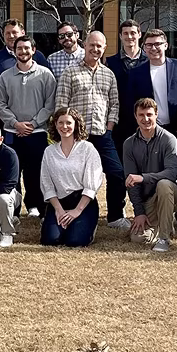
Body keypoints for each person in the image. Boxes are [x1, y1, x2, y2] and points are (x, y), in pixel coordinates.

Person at [54, 31, 127, 229]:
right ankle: (75, 214)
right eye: (92, 45)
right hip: (77, 137)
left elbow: (114, 104)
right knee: (75, 178)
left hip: (102, 134)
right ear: (84, 45)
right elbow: (61, 105)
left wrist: (110, 127)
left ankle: (115, 216)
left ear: (104, 49)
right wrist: (66, 133)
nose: (95, 49)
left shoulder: (108, 74)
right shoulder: (70, 72)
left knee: (117, 173)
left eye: (99, 46)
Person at [0, 36, 56, 218]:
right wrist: (15, 124)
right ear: (14, 52)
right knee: (12, 172)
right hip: (12, 132)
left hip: (37, 132)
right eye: (19, 48)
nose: (23, 51)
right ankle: (13, 210)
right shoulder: (5, 77)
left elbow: (50, 104)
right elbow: (0, 105)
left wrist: (33, 124)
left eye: (27, 48)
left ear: (33, 50)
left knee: (35, 172)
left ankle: (35, 206)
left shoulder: (45, 75)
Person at [121, 98, 177, 251]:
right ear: (135, 116)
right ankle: (163, 223)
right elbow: (131, 181)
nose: (145, 119)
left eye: (149, 114)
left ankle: (164, 238)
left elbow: (171, 173)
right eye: (141, 115)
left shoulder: (169, 139)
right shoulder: (129, 144)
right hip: (149, 199)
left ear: (156, 114)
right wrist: (139, 212)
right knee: (138, 238)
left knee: (163, 184)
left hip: (173, 194)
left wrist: (143, 177)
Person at [38, 107, 104, 248]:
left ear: (76, 125)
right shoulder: (49, 151)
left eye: (68, 123)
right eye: (60, 123)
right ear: (55, 125)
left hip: (82, 202)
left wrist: (77, 211)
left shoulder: (87, 149)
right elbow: (47, 184)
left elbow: (92, 184)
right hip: (59, 202)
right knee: (50, 240)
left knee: (75, 241)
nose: (64, 127)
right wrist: (59, 210)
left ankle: (88, 226)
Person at [121, 29, 177, 145]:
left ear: (166, 45)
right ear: (144, 48)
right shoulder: (135, 73)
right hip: (148, 130)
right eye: (149, 45)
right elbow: (130, 103)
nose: (153, 48)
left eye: (157, 44)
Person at [106, 19, 148, 166]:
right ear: (120, 36)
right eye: (125, 33)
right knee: (121, 166)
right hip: (120, 122)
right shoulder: (110, 63)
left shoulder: (149, 61)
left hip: (145, 120)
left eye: (133, 33)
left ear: (139, 34)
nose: (129, 37)